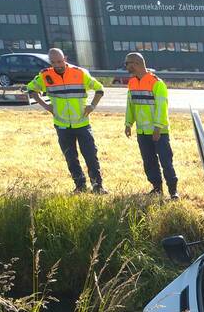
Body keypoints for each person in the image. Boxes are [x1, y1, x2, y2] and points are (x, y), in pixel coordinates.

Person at [26, 48, 105, 193]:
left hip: (82, 123)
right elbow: (31, 90)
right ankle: (80, 186)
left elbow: (99, 89)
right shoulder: (45, 75)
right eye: (54, 62)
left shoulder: (80, 73)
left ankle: (97, 186)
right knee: (70, 157)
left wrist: (92, 105)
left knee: (90, 156)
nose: (58, 65)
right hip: (61, 125)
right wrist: (46, 106)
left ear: (65, 58)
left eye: (60, 61)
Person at [124, 52, 178, 199]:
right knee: (149, 162)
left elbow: (162, 107)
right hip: (142, 132)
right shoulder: (132, 82)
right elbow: (130, 105)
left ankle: (173, 191)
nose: (126, 66)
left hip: (158, 132)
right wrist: (128, 123)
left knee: (166, 162)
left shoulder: (157, 83)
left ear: (136, 63)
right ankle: (157, 189)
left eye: (128, 63)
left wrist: (157, 127)